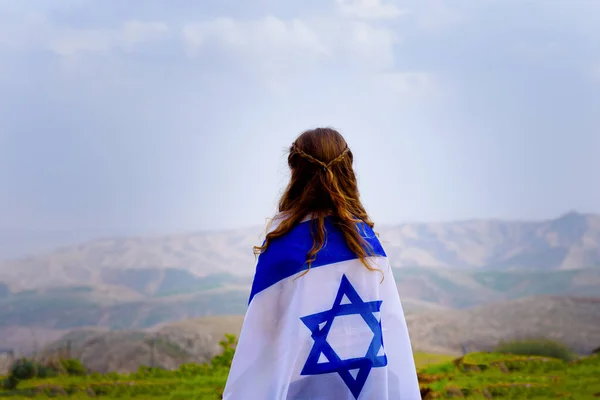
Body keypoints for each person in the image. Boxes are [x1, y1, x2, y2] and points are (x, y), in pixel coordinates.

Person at [222, 128, 421, 399]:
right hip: (368, 387)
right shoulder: (366, 243)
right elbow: (388, 332)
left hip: (304, 389)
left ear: (295, 171)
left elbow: (261, 341)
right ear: (348, 170)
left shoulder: (283, 246)